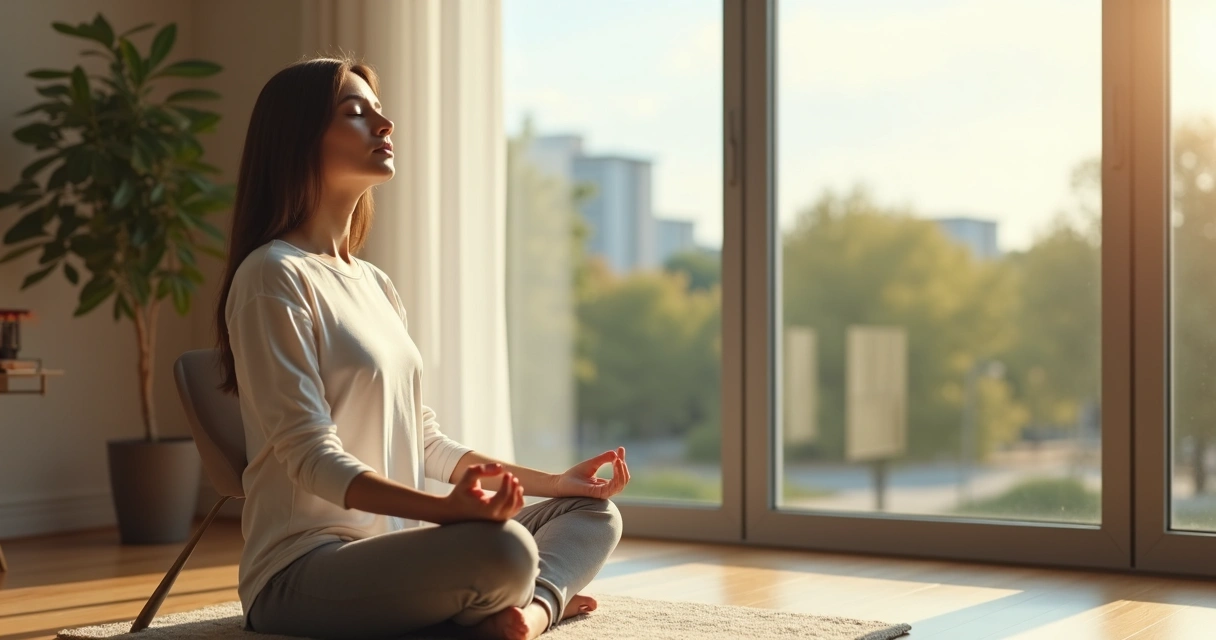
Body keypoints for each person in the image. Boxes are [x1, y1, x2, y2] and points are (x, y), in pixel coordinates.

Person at [212, 56, 628, 640]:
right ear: (296, 138)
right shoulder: (271, 276)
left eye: (380, 113)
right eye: (356, 113)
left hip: (397, 553)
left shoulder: (374, 283)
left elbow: (424, 438)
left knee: (590, 515)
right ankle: (525, 601)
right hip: (300, 572)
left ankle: (527, 614)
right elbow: (309, 457)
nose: (384, 126)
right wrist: (447, 512)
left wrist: (557, 484)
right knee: (504, 550)